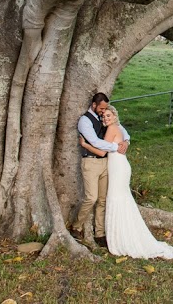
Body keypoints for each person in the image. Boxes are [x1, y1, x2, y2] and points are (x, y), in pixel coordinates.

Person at [80, 107, 173, 259]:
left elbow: (102, 152)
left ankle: (122, 239)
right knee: (121, 200)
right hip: (118, 167)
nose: (105, 119)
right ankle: (124, 235)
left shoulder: (112, 129)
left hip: (118, 168)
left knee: (116, 199)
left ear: (115, 116)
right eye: (103, 117)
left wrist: (85, 144)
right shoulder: (118, 128)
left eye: (108, 115)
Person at [73, 93, 129, 247]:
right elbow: (95, 141)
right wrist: (116, 147)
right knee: (91, 197)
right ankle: (77, 226)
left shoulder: (104, 117)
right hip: (91, 162)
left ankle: (100, 233)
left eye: (105, 109)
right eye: (101, 108)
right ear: (94, 105)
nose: (103, 112)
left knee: (102, 199)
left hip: (106, 163)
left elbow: (121, 129)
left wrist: (126, 141)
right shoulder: (85, 121)